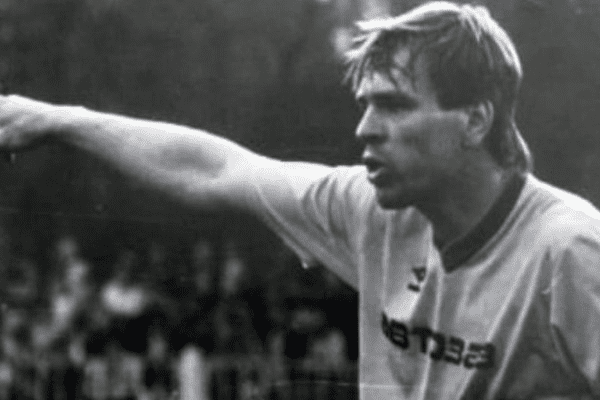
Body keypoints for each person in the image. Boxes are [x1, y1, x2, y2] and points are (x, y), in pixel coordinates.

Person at [0, 1, 598, 398]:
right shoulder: (371, 209)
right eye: (365, 105)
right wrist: (57, 119)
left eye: (393, 106)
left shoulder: (568, 249)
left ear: (475, 121)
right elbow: (214, 169)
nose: (365, 129)